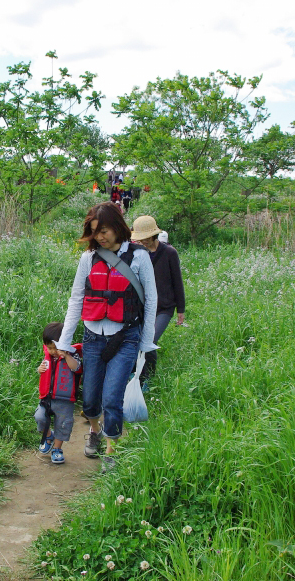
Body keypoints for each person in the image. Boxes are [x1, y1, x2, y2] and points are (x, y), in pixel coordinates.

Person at [55, 202, 158, 472]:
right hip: (92, 338)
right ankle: (95, 430)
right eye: (94, 232)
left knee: (112, 397)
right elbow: (77, 299)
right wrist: (65, 342)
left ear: (118, 227)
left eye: (104, 230)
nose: (100, 236)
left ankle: (112, 447)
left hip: (125, 338)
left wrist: (146, 344)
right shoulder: (88, 259)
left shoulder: (139, 256)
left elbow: (151, 301)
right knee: (89, 399)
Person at [131, 216, 185, 384]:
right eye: (139, 238)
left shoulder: (169, 253)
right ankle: (135, 374)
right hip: (143, 306)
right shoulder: (137, 253)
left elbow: (178, 281)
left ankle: (149, 377)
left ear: (153, 235)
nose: (142, 241)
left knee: (150, 339)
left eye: (145, 238)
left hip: (164, 307)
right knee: (135, 339)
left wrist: (181, 310)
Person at [35, 322, 83, 465]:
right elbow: (45, 371)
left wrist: (66, 355)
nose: (53, 352)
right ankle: (49, 436)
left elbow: (77, 369)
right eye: (49, 348)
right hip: (47, 398)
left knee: (63, 424)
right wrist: (39, 370)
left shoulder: (72, 355)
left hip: (65, 399)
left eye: (55, 348)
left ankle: (57, 449)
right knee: (39, 416)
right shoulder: (48, 357)